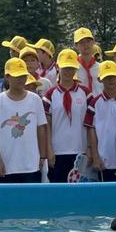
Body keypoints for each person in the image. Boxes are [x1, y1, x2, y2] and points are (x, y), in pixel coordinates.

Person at [0, 58, 47, 183]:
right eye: (17, 76)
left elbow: (41, 128)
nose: (21, 79)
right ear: (7, 77)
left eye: (23, 76)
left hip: (31, 164)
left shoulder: (35, 99)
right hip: (7, 163)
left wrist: (43, 156)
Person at [43, 49, 91, 183]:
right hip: (57, 151)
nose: (69, 71)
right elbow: (48, 124)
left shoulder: (86, 93)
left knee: (81, 192)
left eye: (72, 68)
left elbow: (91, 124)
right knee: (58, 190)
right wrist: (49, 150)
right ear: (58, 67)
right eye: (65, 67)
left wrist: (90, 148)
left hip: (80, 150)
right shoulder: (50, 95)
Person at [74, 27, 102, 95]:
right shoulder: (73, 68)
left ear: (93, 42)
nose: (86, 44)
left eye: (88, 41)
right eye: (81, 42)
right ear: (76, 46)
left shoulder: (101, 67)